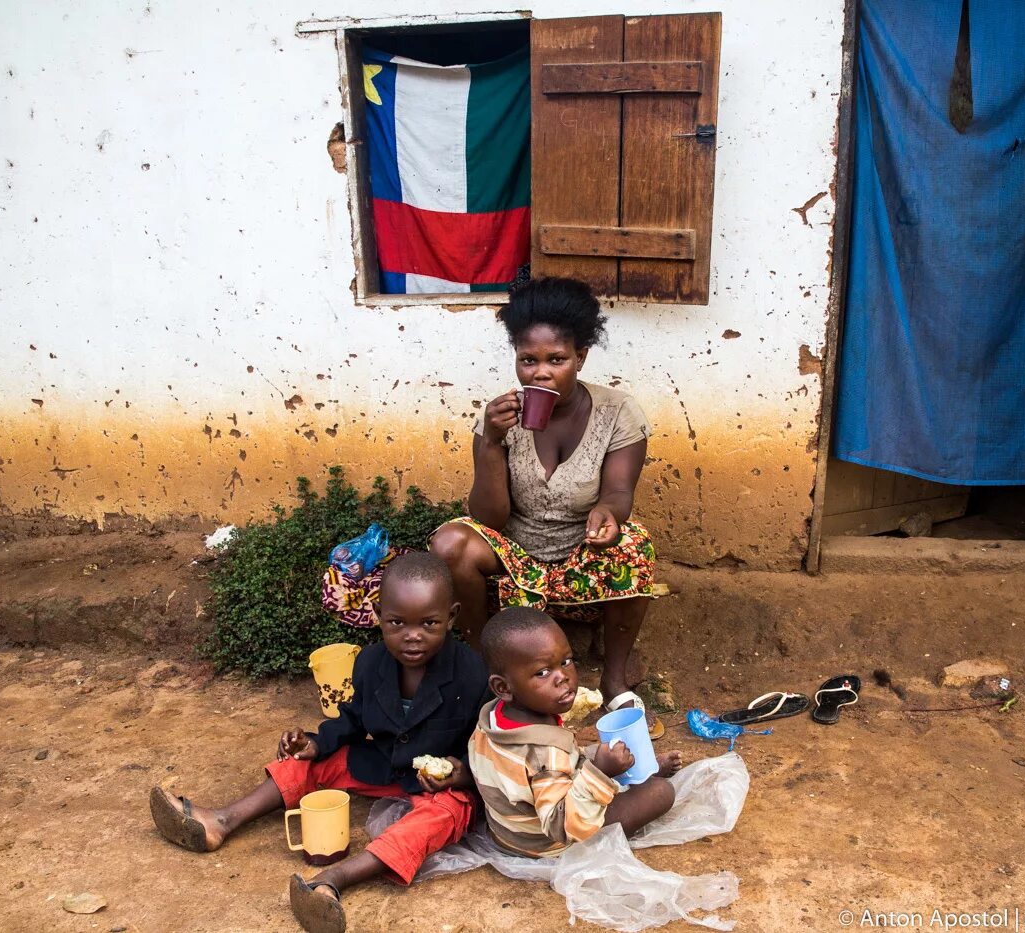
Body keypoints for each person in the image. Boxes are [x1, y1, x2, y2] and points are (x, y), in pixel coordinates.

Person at [147, 552, 489, 933]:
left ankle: (330, 882)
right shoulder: (371, 663)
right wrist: (315, 743)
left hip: (444, 787)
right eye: (397, 623)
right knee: (310, 761)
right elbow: (354, 721)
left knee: (440, 816)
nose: (412, 635)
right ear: (377, 615)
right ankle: (220, 821)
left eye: (429, 623)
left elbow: (487, 743)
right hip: (386, 763)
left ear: (452, 617)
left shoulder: (473, 673)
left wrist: (458, 773)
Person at [430, 276, 661, 733]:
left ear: (580, 357)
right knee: (450, 542)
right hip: (514, 555)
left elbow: (619, 490)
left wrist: (609, 515)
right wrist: (492, 441)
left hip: (582, 550)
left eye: (556, 359)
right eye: (528, 360)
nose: (541, 372)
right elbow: (489, 518)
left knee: (636, 545)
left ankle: (615, 681)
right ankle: (482, 668)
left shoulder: (618, 412)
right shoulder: (500, 417)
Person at [466, 607, 682, 857]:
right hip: (549, 843)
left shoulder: (489, 719)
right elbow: (563, 826)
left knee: (592, 758)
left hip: (509, 833)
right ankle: (641, 774)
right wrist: (600, 772)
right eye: (542, 673)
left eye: (566, 662)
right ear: (503, 687)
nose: (563, 677)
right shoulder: (546, 753)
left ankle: (639, 770)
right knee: (660, 793)